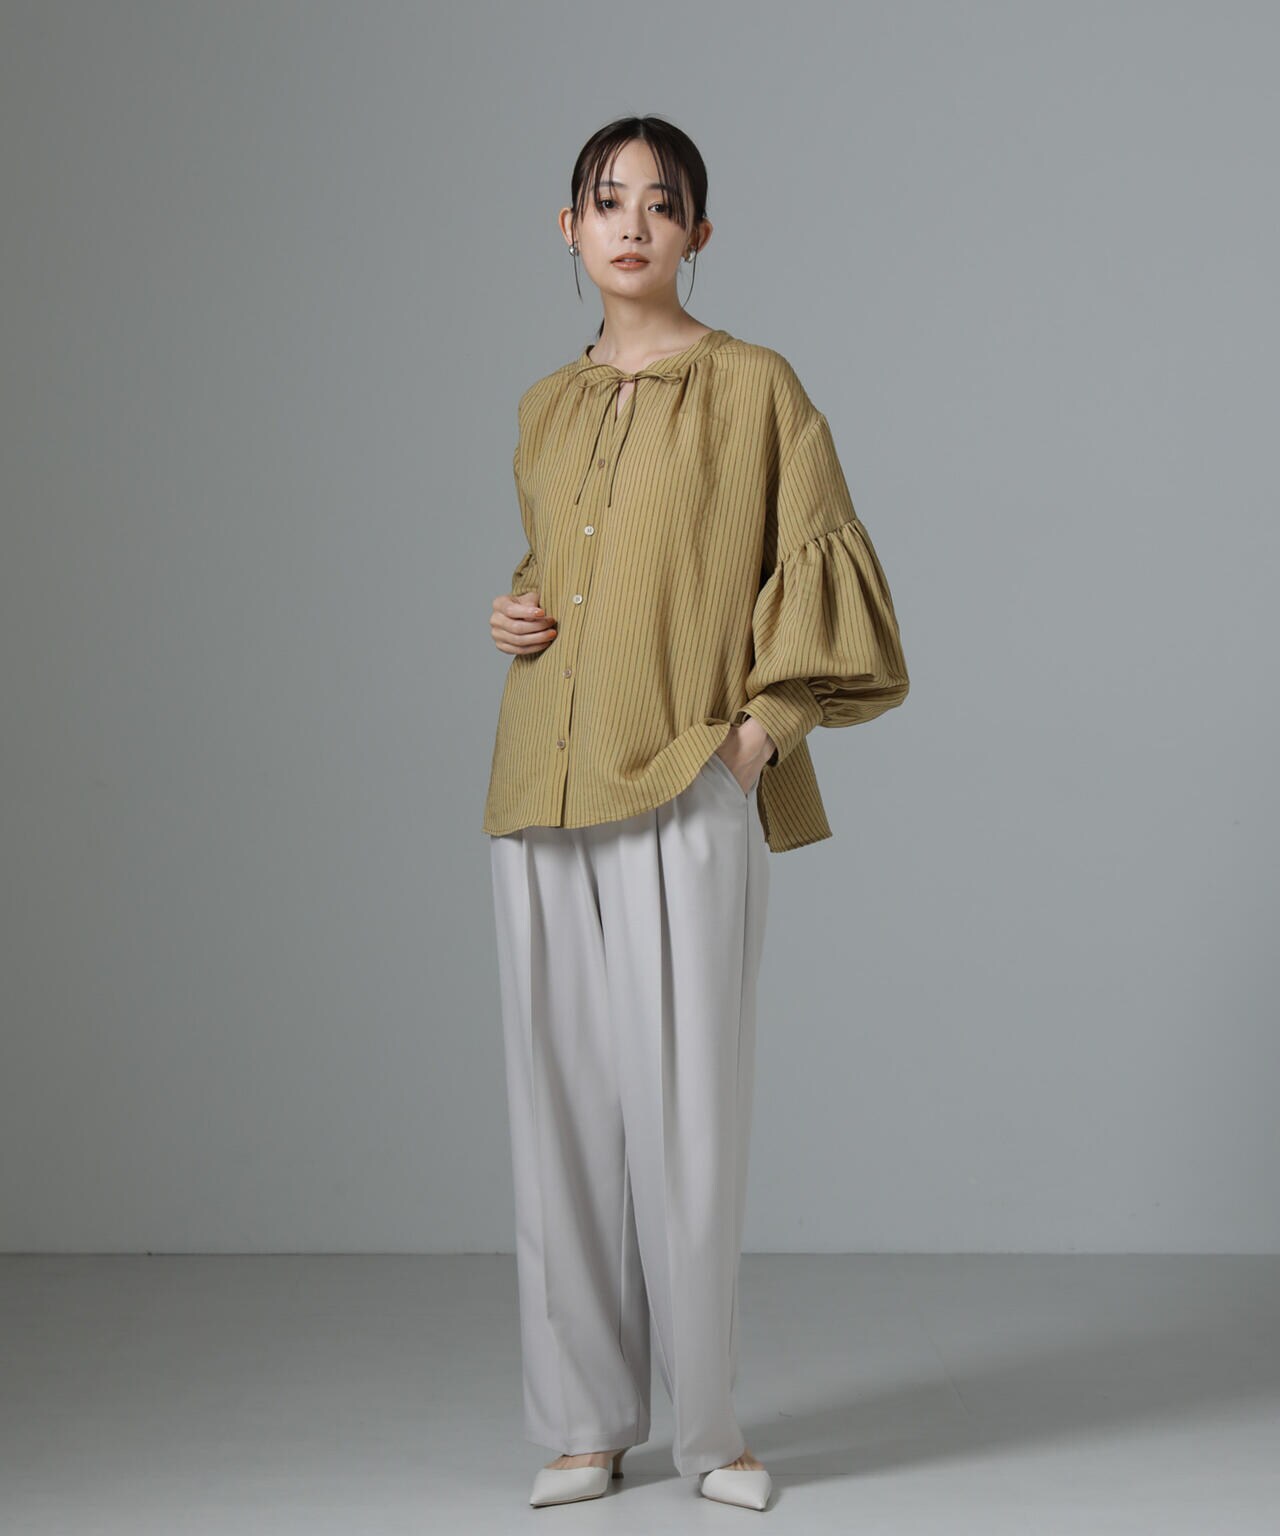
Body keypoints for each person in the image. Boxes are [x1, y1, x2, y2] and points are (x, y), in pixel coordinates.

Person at [483, 116, 910, 1512]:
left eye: (660, 204)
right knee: (557, 1119)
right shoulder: (544, 406)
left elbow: (819, 572)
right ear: (568, 228)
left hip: (683, 777)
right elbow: (571, 568)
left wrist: (756, 738)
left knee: (688, 1123)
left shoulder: (756, 386)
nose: (631, 223)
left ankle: (711, 1432)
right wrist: (516, 608)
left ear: (697, 234)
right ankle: (582, 1423)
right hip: (542, 778)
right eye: (605, 200)